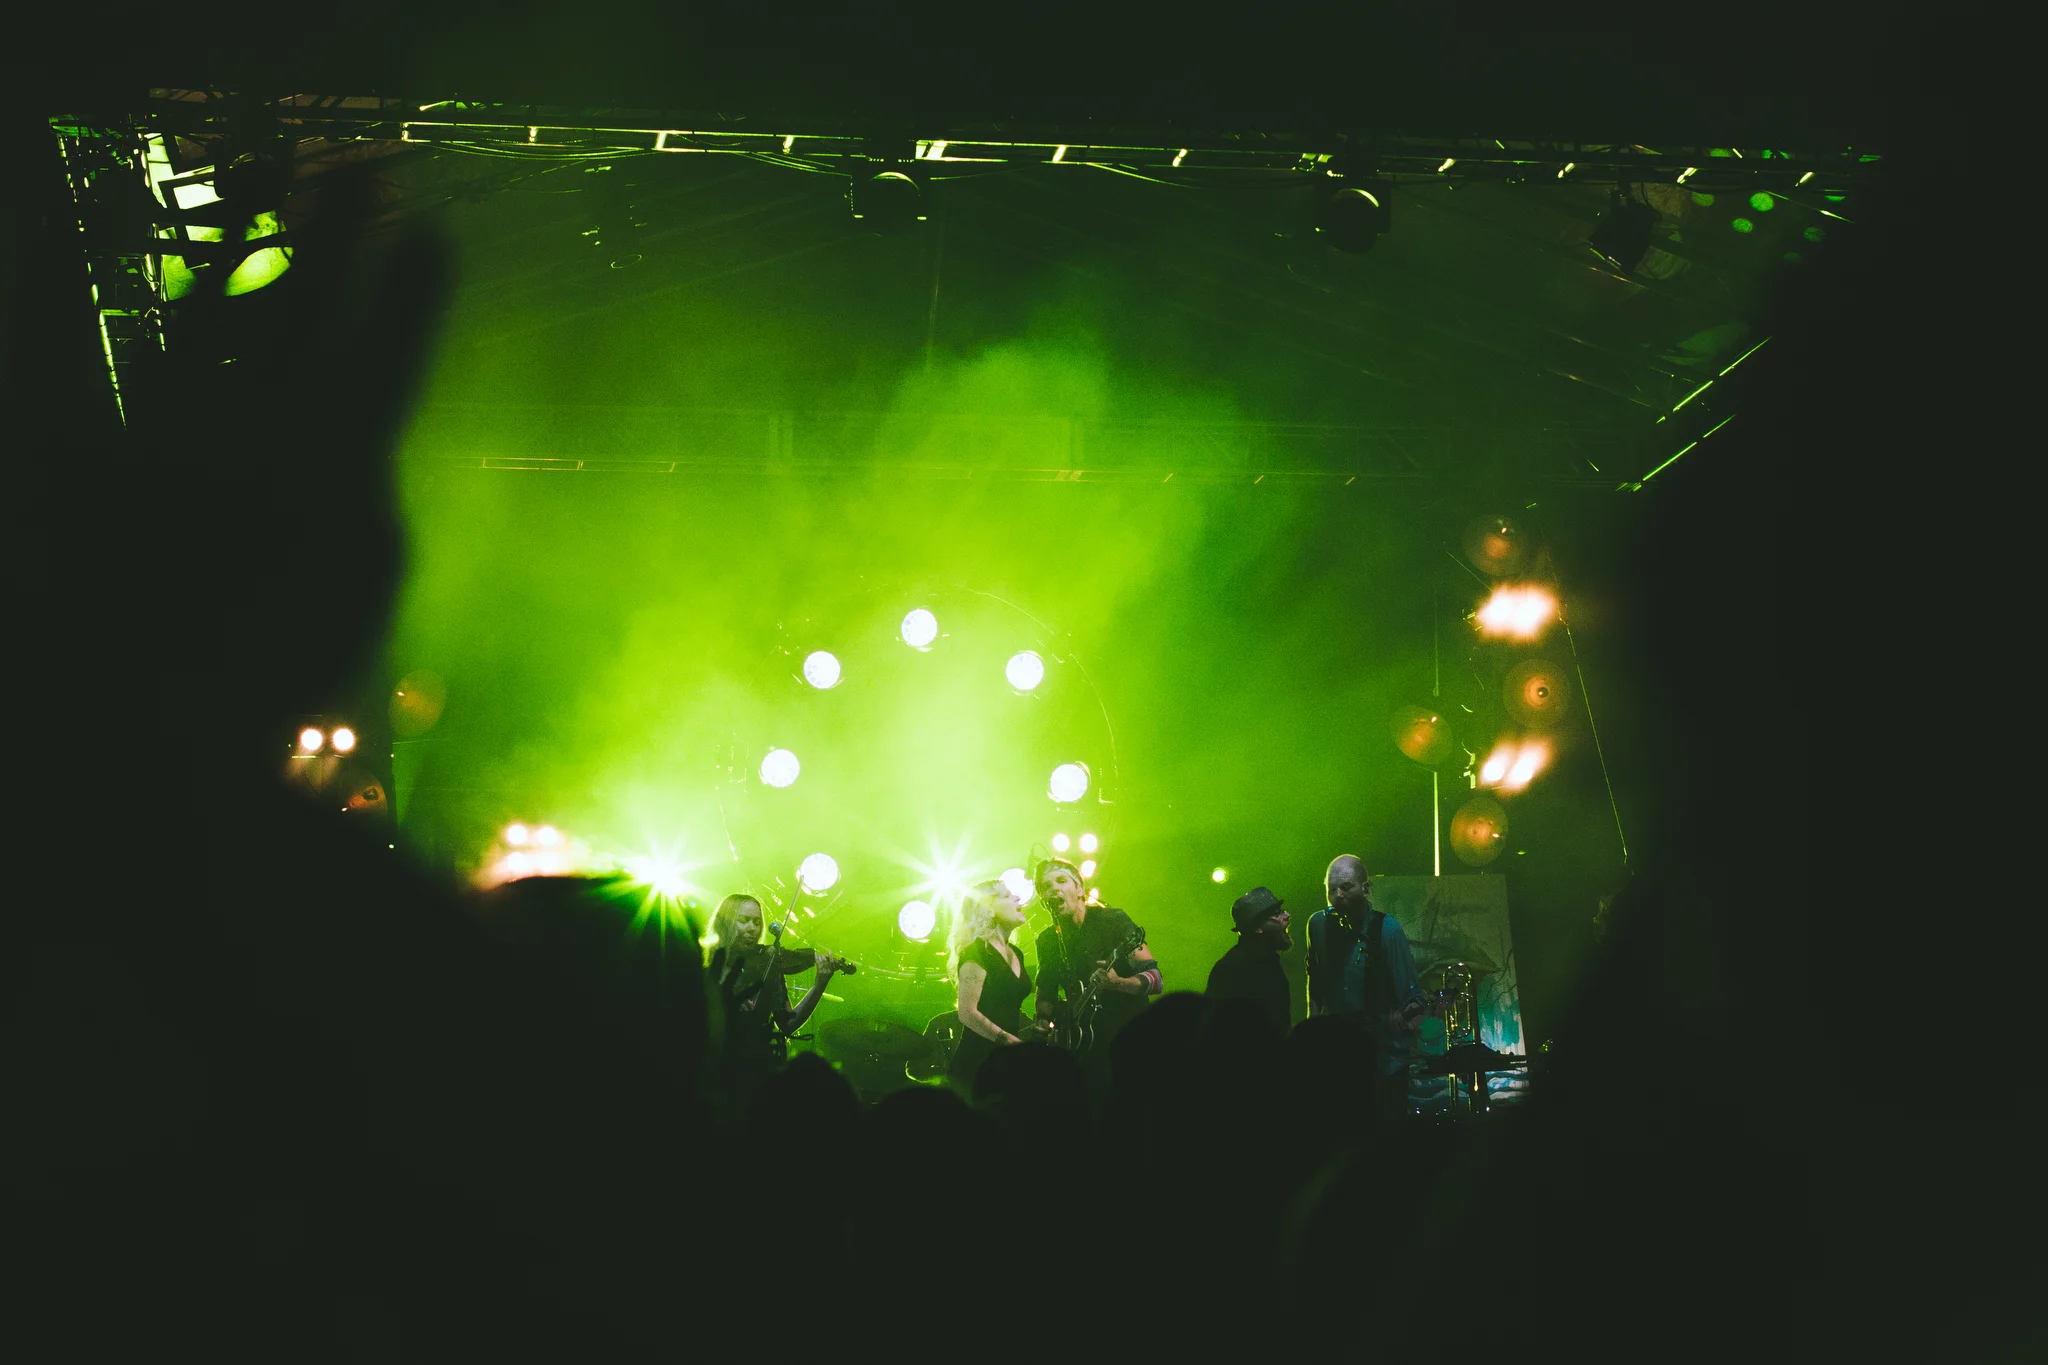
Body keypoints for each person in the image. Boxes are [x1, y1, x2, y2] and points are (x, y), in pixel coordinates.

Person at [1304, 855, 1423, 1117]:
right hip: (1336, 1060)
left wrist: (1405, 1022)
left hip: (1384, 1063)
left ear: (1366, 889)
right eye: (1331, 889)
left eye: (1346, 887)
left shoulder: (1387, 930)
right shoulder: (1317, 925)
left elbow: (1412, 997)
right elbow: (1315, 979)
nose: (1337, 895)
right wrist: (1313, 1028)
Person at [709, 893, 848, 1091]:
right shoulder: (703, 960)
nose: (752, 928)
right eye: (744, 921)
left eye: (757, 922)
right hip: (712, 1065)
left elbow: (788, 1024)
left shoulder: (768, 963)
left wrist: (819, 985)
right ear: (724, 922)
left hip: (756, 1068)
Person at [1032, 857, 1161, 1065]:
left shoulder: (1112, 920)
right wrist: (1044, 1019)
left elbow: (1156, 980)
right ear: (1043, 902)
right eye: (1047, 886)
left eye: (1061, 881)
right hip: (1086, 1048)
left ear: (1080, 890)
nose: (1054, 889)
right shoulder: (1047, 941)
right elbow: (1045, 994)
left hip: (1132, 1035)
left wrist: (1117, 983)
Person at [946, 878, 1044, 1090]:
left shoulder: (1015, 952)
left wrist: (1029, 1031)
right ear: (988, 910)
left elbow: (1004, 1008)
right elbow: (967, 1013)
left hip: (1006, 1061)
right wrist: (1009, 1041)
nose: (1018, 897)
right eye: (1008, 896)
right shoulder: (977, 952)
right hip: (977, 1064)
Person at [1204, 886, 1292, 1036]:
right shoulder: (1230, 969)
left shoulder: (1268, 961)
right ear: (1258, 927)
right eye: (1277, 913)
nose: (1287, 915)